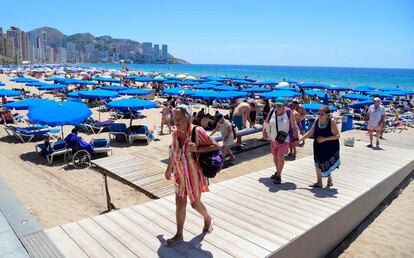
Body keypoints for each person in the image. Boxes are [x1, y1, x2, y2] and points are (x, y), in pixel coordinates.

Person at [164, 105, 217, 246]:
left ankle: (208, 218)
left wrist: (198, 148)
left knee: (195, 204)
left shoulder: (197, 131)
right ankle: (179, 234)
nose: (177, 121)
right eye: (175, 118)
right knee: (180, 203)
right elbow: (174, 153)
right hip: (180, 174)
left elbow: (215, 145)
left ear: (189, 118)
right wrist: (169, 169)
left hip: (194, 174)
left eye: (180, 118)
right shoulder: (175, 133)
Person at [300, 106, 340, 187]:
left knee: (326, 162)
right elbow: (309, 133)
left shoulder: (331, 121)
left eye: (322, 114)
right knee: (317, 163)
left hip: (330, 146)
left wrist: (324, 139)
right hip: (318, 146)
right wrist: (300, 139)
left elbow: (338, 135)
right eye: (318, 113)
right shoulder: (316, 121)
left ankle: (329, 179)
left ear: (327, 114)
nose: (320, 115)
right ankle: (319, 182)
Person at [263, 97, 299, 184]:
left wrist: (296, 138)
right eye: (277, 105)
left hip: (284, 140)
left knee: (280, 157)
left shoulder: (288, 112)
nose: (278, 106)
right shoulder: (272, 111)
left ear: (284, 106)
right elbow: (266, 122)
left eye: (280, 105)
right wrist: (264, 132)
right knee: (275, 157)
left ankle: (278, 175)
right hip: (273, 139)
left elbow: (294, 126)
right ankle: (277, 171)